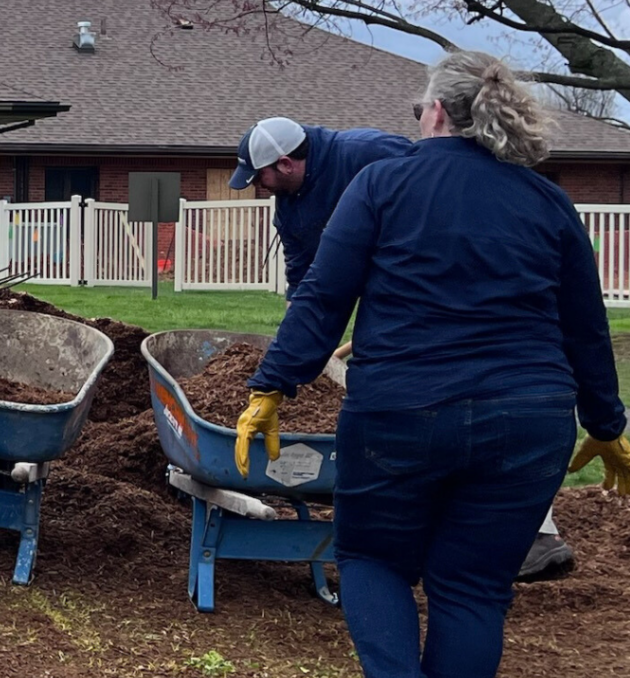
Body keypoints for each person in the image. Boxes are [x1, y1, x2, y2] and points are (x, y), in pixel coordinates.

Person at [233, 51, 630, 678]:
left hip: (402, 410)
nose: (415, 120)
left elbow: (322, 297)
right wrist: (609, 426)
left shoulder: (382, 182)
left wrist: (270, 386)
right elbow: (587, 326)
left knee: (373, 554)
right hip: (529, 420)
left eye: (418, 109)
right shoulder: (548, 204)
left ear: (439, 114)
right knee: (474, 588)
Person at [230, 115, 573, 581]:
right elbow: (310, 286)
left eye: (260, 176)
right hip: (398, 317)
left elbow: (446, 197)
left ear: (285, 164)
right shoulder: (291, 207)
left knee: (485, 407)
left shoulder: (372, 153)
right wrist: (296, 351)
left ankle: (538, 535)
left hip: (460, 292)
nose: (258, 186)